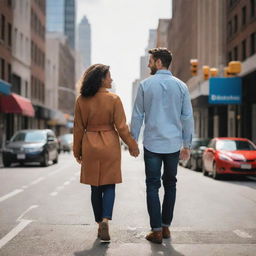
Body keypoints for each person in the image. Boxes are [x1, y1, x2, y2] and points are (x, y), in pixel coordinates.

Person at [131, 48, 194, 244]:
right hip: (173, 145)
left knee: (152, 185)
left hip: (152, 144)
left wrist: (133, 140)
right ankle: (165, 228)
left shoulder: (145, 85)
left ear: (159, 62)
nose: (148, 64)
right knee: (170, 185)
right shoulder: (182, 86)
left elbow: (137, 116)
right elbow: (187, 117)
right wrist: (187, 145)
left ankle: (156, 230)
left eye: (150, 61)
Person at [73, 64, 139, 243]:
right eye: (109, 76)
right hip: (110, 144)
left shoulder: (81, 100)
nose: (111, 79)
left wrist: (76, 150)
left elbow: (78, 128)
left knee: (95, 187)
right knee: (109, 185)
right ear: (101, 78)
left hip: (90, 145)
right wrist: (133, 146)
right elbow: (122, 127)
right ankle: (105, 220)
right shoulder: (114, 99)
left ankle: (98, 224)